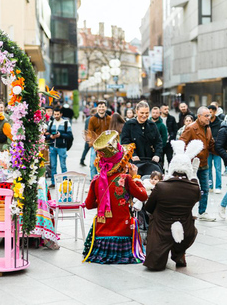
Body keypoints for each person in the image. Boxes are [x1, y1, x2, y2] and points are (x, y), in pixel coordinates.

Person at [82, 131, 148, 264]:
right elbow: (143, 195)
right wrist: (136, 177)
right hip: (123, 232)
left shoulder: (96, 180)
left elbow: (88, 205)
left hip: (102, 234)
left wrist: (103, 201)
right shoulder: (126, 179)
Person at [143, 139, 203, 271]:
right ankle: (179, 253)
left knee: (154, 265)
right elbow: (197, 196)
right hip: (184, 229)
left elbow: (148, 208)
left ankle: (159, 256)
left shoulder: (161, 186)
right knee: (189, 228)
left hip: (161, 228)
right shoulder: (194, 188)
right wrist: (193, 175)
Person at [180, 106, 217, 221]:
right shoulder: (191, 128)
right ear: (199, 116)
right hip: (191, 165)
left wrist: (223, 152)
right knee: (189, 190)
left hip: (204, 163)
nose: (208, 118)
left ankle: (202, 212)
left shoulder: (208, 128)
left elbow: (211, 145)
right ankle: (186, 212)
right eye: (206, 116)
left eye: (209, 116)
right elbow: (181, 143)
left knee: (205, 189)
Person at [46, 107, 72, 187]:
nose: (56, 116)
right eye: (55, 114)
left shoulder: (66, 123)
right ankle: (53, 182)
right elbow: (45, 135)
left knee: (63, 165)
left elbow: (70, 136)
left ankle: (65, 182)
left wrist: (60, 135)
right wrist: (50, 136)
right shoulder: (50, 123)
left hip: (62, 147)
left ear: (61, 114)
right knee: (53, 166)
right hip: (52, 147)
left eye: (58, 114)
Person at [87, 100, 111, 179]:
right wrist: (93, 143)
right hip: (95, 145)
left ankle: (103, 181)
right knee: (93, 164)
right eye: (100, 107)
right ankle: (93, 181)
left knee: (105, 165)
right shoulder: (92, 119)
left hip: (106, 146)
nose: (101, 108)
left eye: (103, 107)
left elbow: (111, 132)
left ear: (106, 108)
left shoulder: (109, 119)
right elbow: (90, 132)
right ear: (97, 108)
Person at [207, 105, 222, 194]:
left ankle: (218, 186)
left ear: (215, 112)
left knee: (218, 168)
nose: (209, 114)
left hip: (217, 149)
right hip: (208, 149)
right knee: (208, 168)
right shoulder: (206, 122)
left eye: (211, 112)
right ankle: (210, 185)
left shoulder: (220, 123)